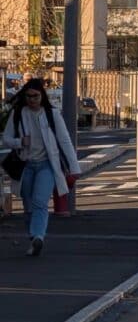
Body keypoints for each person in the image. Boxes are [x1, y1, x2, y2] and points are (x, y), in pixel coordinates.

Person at [3, 78, 77, 257]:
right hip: (26, 165)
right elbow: (6, 138)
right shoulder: (19, 113)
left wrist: (74, 167)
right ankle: (33, 237)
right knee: (28, 205)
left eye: (35, 96)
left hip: (47, 165)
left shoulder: (51, 114)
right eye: (28, 96)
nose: (32, 100)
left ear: (42, 96)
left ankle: (38, 236)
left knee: (40, 202)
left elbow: (64, 140)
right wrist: (20, 141)